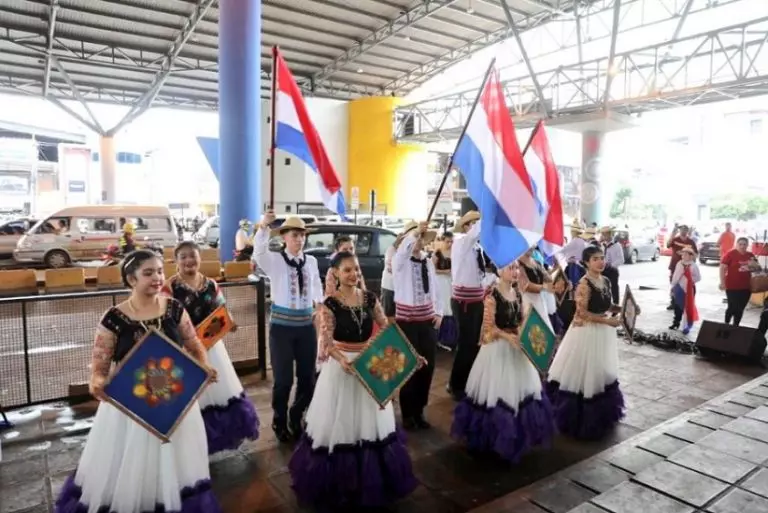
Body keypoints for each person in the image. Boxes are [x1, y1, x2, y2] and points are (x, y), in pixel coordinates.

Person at [55, 249, 221, 513]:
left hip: (176, 403)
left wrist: (204, 365)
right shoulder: (113, 318)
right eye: (148, 273)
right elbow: (99, 367)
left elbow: (194, 343)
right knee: (132, 465)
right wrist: (97, 382)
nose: (157, 278)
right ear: (131, 279)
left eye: (160, 271)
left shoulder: (175, 309)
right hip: (131, 408)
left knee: (178, 462)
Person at [289, 252, 419, 509]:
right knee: (342, 422)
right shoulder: (330, 304)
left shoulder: (370, 298)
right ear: (336, 273)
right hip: (342, 370)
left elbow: (386, 327)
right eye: (347, 270)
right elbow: (327, 342)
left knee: (370, 423)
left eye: (356, 269)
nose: (353, 274)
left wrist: (408, 353)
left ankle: (370, 480)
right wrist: (341, 359)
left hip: (369, 365)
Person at [451, 261, 555, 462]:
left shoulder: (518, 294)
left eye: (516, 268)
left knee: (521, 394)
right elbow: (489, 329)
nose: (515, 272)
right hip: (498, 351)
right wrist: (508, 337)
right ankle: (494, 440)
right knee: (497, 394)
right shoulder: (492, 296)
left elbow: (521, 321)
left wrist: (526, 334)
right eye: (510, 268)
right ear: (500, 271)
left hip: (516, 349)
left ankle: (518, 437)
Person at [162, 241, 259, 454]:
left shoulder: (211, 285)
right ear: (176, 261)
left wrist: (230, 321)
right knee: (190, 396)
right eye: (183, 257)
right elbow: (164, 319)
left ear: (200, 258)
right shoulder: (169, 288)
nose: (189, 260)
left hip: (212, 346)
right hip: (183, 350)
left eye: (193, 256)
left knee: (217, 389)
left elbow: (221, 307)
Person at [546, 245, 630, 440]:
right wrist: (607, 321)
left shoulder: (605, 280)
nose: (600, 262)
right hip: (586, 332)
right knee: (584, 370)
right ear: (586, 263)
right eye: (595, 259)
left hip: (602, 331)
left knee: (600, 368)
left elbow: (608, 305)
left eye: (602, 258)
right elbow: (582, 313)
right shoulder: (583, 284)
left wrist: (625, 309)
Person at [253, 213, 323, 442]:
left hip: (306, 327)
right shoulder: (274, 260)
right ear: (284, 237)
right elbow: (258, 252)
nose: (299, 239)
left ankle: (296, 413)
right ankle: (279, 420)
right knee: (283, 380)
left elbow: (317, 286)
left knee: (307, 378)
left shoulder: (311, 262)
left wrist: (320, 306)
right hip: (281, 329)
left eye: (302, 235)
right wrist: (264, 227)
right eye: (295, 235)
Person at [393, 221, 439, 430]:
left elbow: (435, 288)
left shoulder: (427, 261)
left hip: (427, 320)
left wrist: (439, 311)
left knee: (428, 367)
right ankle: (408, 413)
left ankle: (420, 410)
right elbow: (404, 250)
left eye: (421, 238)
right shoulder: (400, 260)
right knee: (410, 366)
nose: (419, 241)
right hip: (408, 321)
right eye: (416, 237)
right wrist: (413, 234)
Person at [447, 211, 486, 401]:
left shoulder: (477, 247)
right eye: (474, 223)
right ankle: (456, 385)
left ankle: (467, 381)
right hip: (464, 302)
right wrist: (487, 215)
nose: (477, 226)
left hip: (477, 300)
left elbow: (480, 274)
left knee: (475, 343)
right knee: (466, 344)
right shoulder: (461, 242)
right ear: (465, 226)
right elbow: (475, 233)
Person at [518, 247, 559, 334]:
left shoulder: (536, 262)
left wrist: (557, 271)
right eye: (528, 246)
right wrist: (544, 287)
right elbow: (526, 286)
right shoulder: (518, 263)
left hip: (540, 299)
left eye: (533, 245)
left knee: (546, 329)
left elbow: (547, 278)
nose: (531, 247)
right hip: (528, 301)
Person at [720, 237, 760, 327]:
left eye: (744, 244)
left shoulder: (750, 255)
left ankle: (736, 326)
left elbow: (758, 269)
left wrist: (754, 265)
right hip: (732, 286)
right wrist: (722, 282)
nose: (742, 246)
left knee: (740, 308)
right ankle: (726, 324)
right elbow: (722, 268)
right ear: (736, 244)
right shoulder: (730, 254)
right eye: (740, 244)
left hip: (746, 287)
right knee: (732, 307)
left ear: (747, 245)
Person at [432, 232, 457, 351]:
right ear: (442, 241)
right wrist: (445, 271)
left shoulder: (455, 253)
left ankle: (450, 338)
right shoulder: (437, 253)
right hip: (441, 282)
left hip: (451, 282)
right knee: (443, 306)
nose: (450, 244)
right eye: (447, 241)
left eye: (452, 241)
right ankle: (440, 338)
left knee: (451, 307)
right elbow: (432, 270)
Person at [670, 246, 701, 335]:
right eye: (683, 254)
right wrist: (673, 286)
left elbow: (698, 277)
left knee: (688, 307)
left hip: (689, 289)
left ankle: (687, 326)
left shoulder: (693, 266)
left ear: (691, 256)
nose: (683, 256)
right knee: (678, 306)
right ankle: (676, 323)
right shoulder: (679, 264)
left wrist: (690, 280)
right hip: (679, 287)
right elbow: (675, 276)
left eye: (686, 254)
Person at [666, 225, 698, 310]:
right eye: (682, 229)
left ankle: (686, 302)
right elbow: (668, 245)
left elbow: (695, 254)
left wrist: (692, 260)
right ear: (680, 231)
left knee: (686, 284)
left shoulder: (691, 242)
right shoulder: (675, 239)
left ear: (688, 231)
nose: (684, 231)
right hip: (675, 265)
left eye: (685, 230)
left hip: (687, 267)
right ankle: (673, 302)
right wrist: (672, 234)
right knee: (674, 284)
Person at [600, 226, 624, 305]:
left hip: (613, 270)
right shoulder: (602, 245)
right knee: (604, 288)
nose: (603, 236)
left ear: (609, 234)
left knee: (614, 288)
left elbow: (621, 259)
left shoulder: (617, 245)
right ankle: (606, 305)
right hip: (603, 269)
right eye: (602, 234)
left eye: (604, 234)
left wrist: (611, 265)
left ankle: (616, 304)